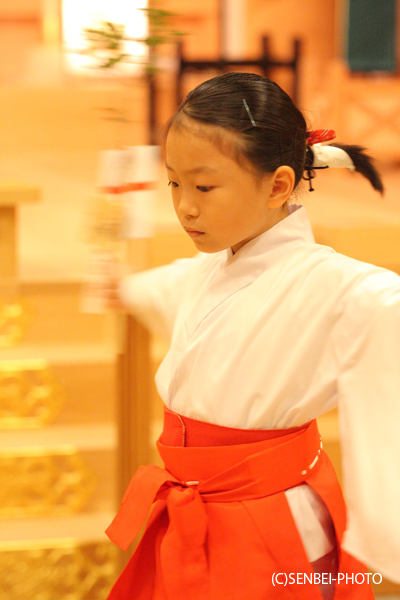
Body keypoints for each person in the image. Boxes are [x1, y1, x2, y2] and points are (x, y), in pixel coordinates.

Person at [105, 72, 400, 600]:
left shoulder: (338, 287)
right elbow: (160, 288)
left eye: (204, 186)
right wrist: (121, 286)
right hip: (193, 510)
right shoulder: (209, 270)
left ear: (279, 184)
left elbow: (385, 302)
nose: (185, 206)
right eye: (174, 183)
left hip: (272, 524)